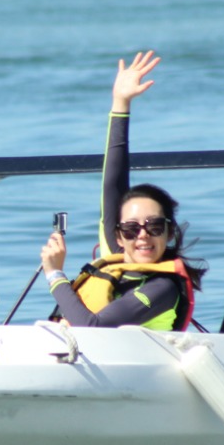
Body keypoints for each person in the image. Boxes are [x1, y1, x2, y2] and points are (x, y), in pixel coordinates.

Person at [39, 51, 203, 330]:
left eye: (154, 226)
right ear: (118, 234)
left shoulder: (163, 287)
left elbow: (93, 327)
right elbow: (113, 182)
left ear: (170, 231)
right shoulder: (118, 252)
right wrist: (120, 102)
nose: (142, 236)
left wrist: (55, 274)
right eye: (130, 229)